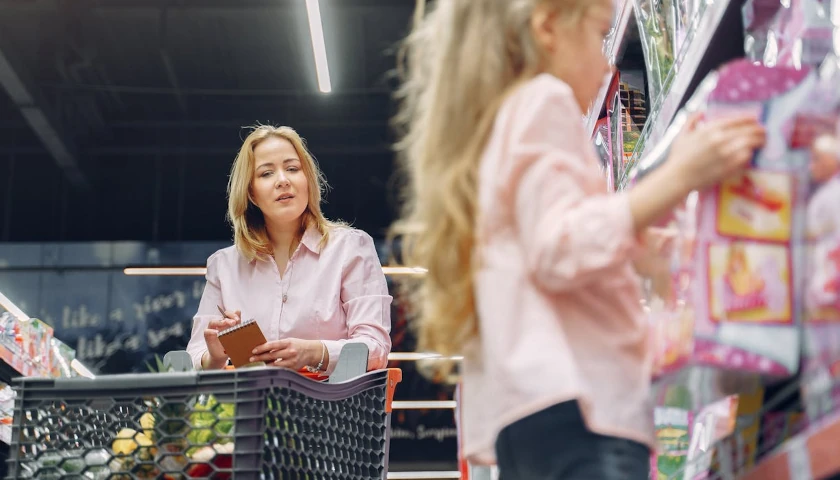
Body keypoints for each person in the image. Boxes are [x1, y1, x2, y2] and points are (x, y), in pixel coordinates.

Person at [391, 0, 766, 478]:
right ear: (547, 28)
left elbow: (544, 249)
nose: (611, 64)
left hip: (534, 413)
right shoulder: (542, 100)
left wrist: (645, 246)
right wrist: (679, 176)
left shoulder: (495, 131)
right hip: (581, 406)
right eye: (599, 33)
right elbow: (559, 247)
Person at [187, 125, 392, 375]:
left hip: (334, 409)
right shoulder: (224, 266)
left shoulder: (351, 249)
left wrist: (313, 352)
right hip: (253, 410)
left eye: (293, 169)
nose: (283, 180)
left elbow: (376, 348)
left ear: (307, 180)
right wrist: (216, 356)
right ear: (251, 193)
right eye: (266, 173)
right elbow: (193, 357)